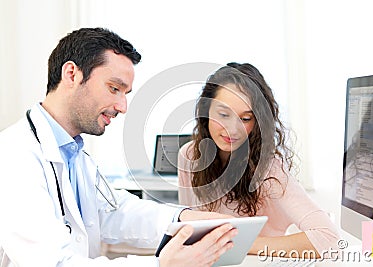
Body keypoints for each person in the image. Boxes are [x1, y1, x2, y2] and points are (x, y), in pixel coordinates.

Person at [0, 28, 238, 267]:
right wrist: (161, 265)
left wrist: (182, 218)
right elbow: (54, 263)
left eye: (125, 93)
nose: (122, 106)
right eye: (114, 88)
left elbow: (113, 211)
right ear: (71, 74)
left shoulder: (74, 153)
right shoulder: (14, 154)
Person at [178, 62, 341, 258]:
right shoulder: (189, 156)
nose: (232, 128)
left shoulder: (268, 169)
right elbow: (188, 226)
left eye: (245, 119)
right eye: (223, 115)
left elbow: (329, 238)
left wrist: (236, 243)